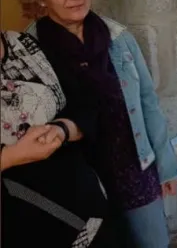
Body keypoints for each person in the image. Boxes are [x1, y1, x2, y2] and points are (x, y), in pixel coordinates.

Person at [13, 0, 177, 248]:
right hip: (76, 181)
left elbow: (148, 103)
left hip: (132, 170)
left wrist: (167, 166)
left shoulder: (119, 38)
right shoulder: (27, 50)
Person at [1, 30, 116, 247]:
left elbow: (82, 105)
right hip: (25, 221)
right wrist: (11, 156)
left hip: (85, 201)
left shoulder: (24, 43)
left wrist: (62, 129)